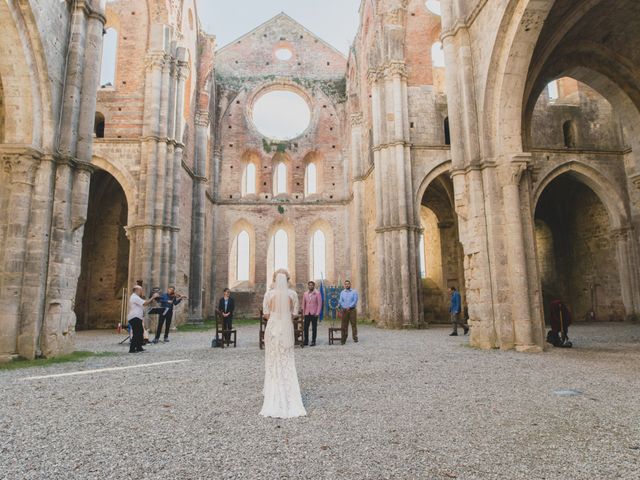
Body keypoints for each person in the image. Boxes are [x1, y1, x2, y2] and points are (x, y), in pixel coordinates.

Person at [260, 269, 306, 418]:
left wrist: (276, 318)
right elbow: (295, 313)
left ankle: (272, 391)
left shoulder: (269, 294)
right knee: (287, 359)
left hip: (273, 329)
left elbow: (266, 314)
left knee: (273, 360)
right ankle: (289, 391)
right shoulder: (292, 295)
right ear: (287, 280)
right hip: (286, 329)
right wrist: (285, 319)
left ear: (274, 280)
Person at [127, 285, 159, 353]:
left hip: (137, 317)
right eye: (141, 290)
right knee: (136, 333)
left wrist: (152, 299)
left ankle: (139, 347)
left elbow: (145, 304)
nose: (142, 292)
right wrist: (153, 297)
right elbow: (145, 303)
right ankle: (132, 349)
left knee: (140, 332)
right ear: (137, 290)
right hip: (134, 317)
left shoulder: (136, 297)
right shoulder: (134, 297)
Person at [302, 281, 322, 346]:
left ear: (314, 286)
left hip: (314, 313)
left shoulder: (317, 293)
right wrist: (303, 312)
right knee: (305, 328)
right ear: (308, 286)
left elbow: (319, 304)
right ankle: (306, 341)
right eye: (309, 285)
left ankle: (313, 341)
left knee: (314, 328)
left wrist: (317, 313)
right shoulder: (305, 294)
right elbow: (303, 304)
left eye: (312, 285)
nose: (310, 286)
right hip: (307, 313)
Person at [339, 280, 359, 344]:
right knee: (344, 325)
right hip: (344, 310)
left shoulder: (354, 292)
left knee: (353, 324)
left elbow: (355, 300)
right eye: (346, 284)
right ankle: (343, 338)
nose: (347, 285)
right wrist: (344, 307)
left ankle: (355, 337)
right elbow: (340, 300)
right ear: (344, 285)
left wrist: (349, 307)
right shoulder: (342, 292)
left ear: (350, 285)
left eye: (348, 284)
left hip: (352, 310)